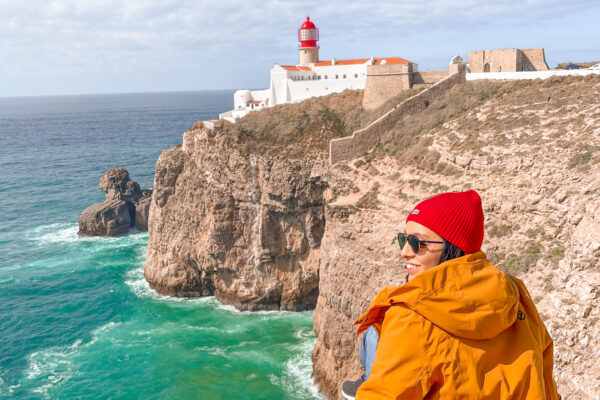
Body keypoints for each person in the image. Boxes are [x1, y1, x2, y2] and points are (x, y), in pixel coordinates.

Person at [341, 190, 560, 400]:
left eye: (418, 243)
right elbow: (545, 383)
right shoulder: (516, 295)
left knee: (375, 333)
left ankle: (369, 379)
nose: (405, 251)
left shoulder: (411, 318)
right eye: (404, 239)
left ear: (453, 247)